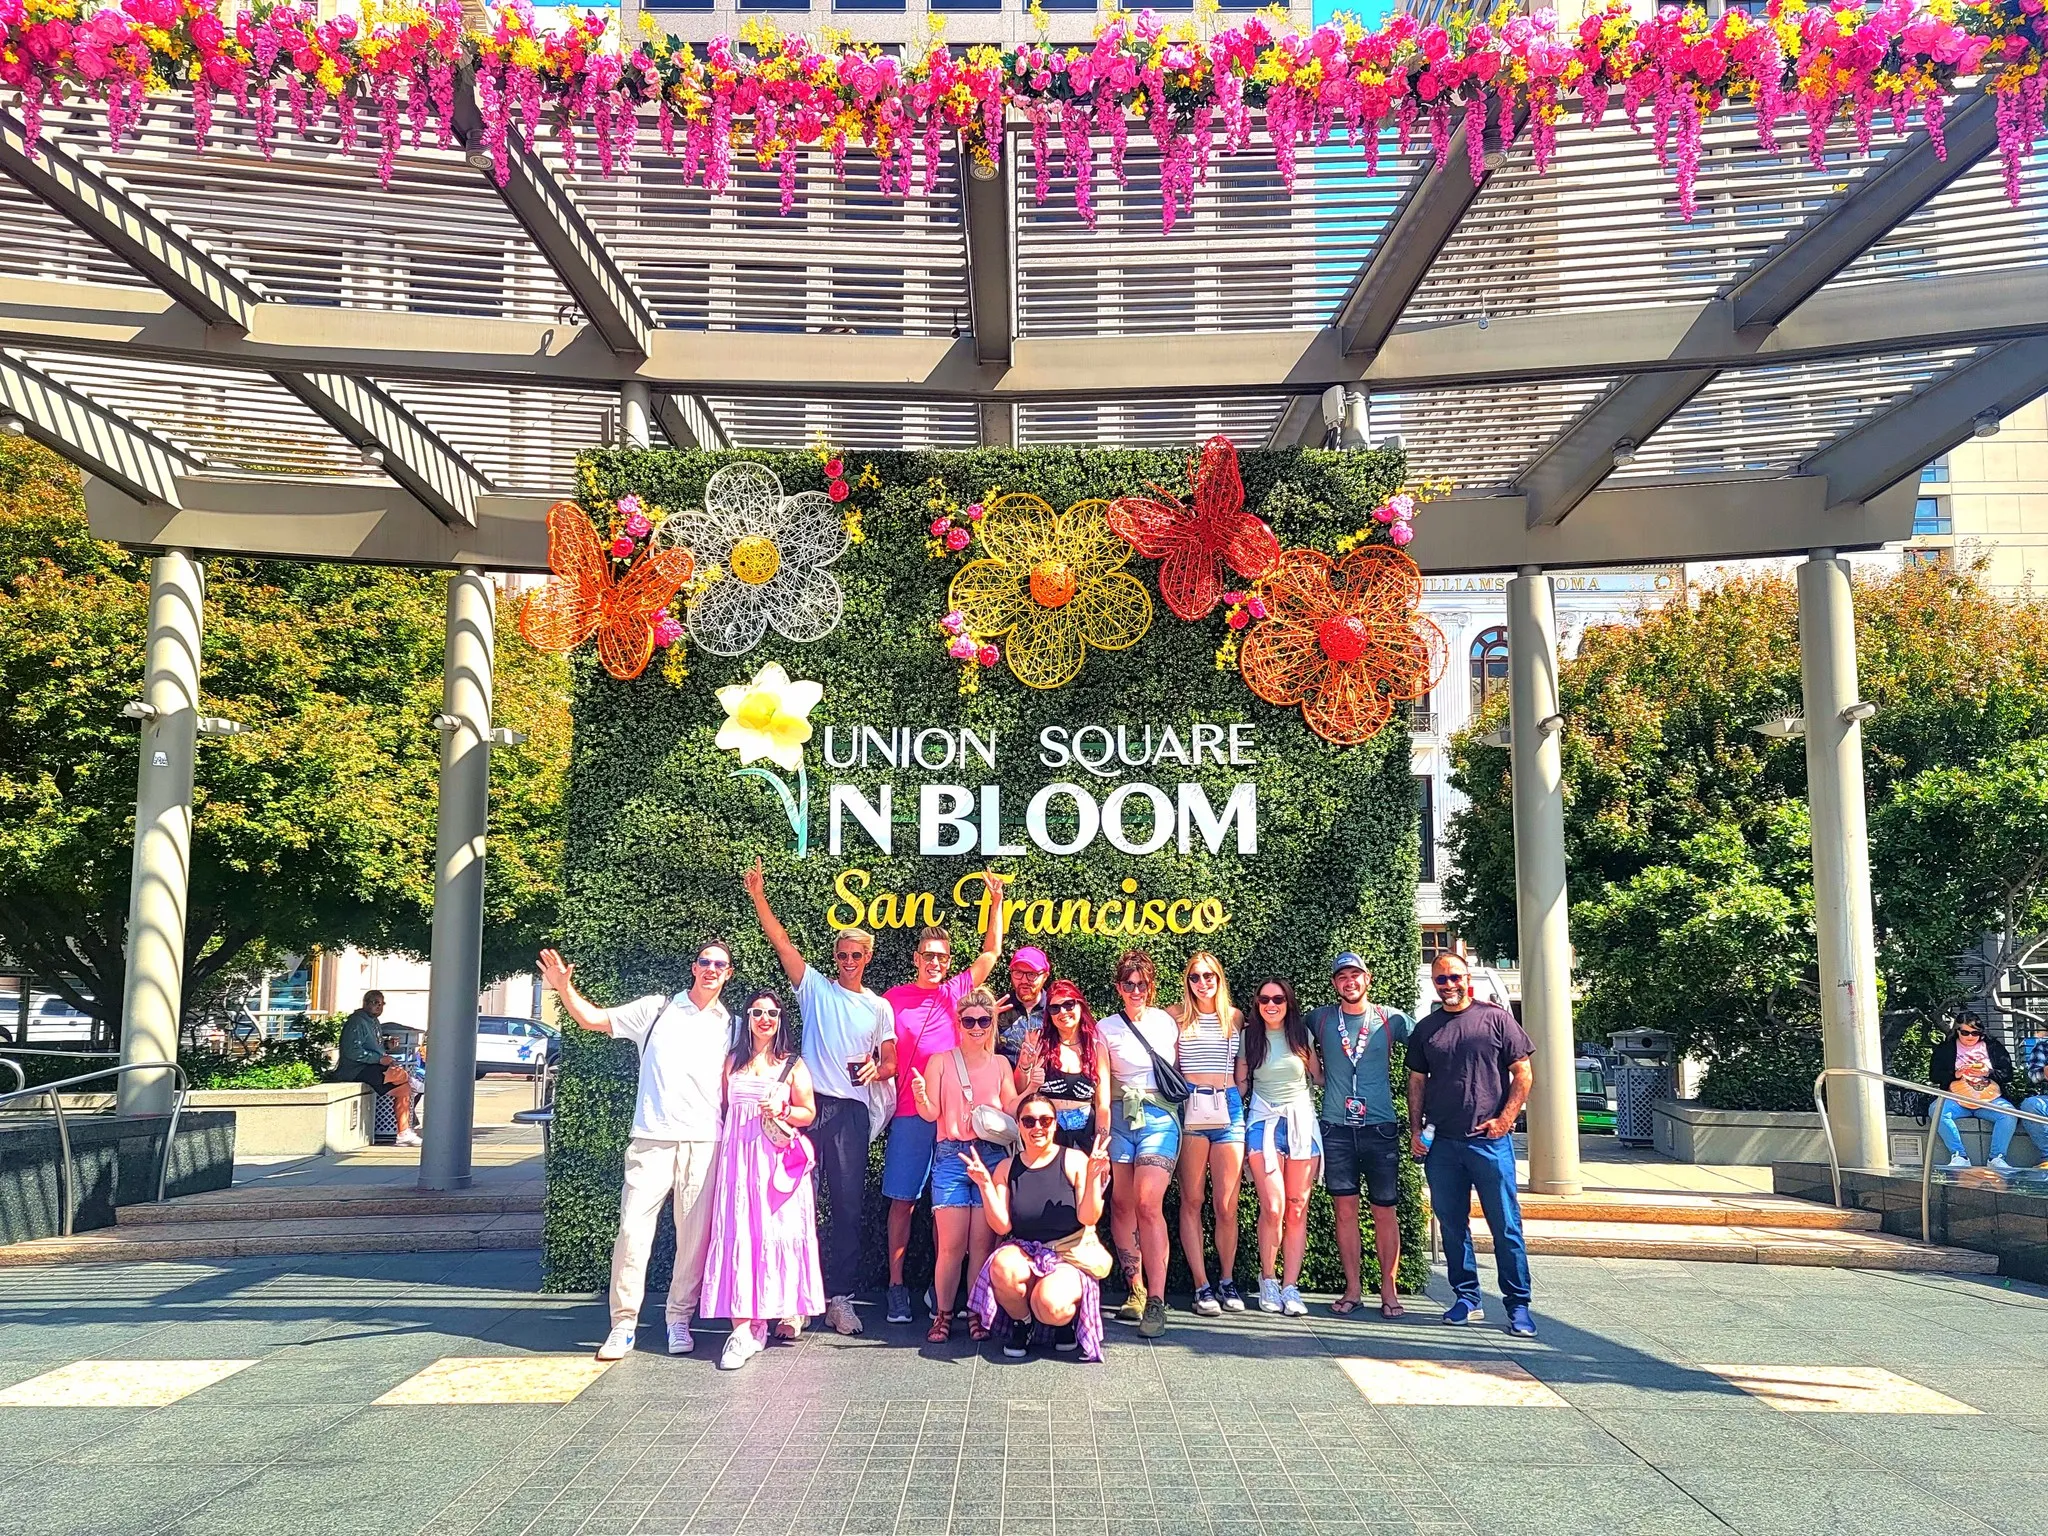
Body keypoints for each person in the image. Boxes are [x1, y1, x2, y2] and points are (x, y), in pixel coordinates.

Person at [538, 938, 734, 1362]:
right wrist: (563, 988)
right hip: (651, 1140)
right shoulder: (656, 1009)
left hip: (705, 1142)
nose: (711, 969)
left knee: (694, 1238)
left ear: (728, 973)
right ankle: (623, 1325)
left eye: (720, 964)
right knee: (632, 1232)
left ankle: (679, 1319)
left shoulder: (731, 1024)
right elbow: (592, 1019)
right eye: (705, 962)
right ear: (693, 967)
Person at [743, 859, 896, 1336]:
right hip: (807, 1109)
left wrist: (878, 1069)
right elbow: (782, 943)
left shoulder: (878, 1006)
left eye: (856, 955)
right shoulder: (814, 989)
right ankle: (790, 1300)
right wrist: (758, 897)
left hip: (849, 1113)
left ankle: (840, 1298)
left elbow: (891, 1060)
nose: (848, 961)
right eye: (842, 955)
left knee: (848, 1207)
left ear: (867, 957)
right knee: (790, 1203)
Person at [880, 874, 1007, 1325]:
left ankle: (943, 1295)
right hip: (913, 1115)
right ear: (917, 958)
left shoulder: (957, 993)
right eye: (928, 956)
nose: (934, 962)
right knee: (904, 1202)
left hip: (958, 1122)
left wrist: (996, 902)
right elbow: (878, 1045)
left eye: (942, 957)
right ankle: (897, 1287)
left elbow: (991, 952)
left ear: (948, 961)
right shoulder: (892, 999)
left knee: (949, 1209)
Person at [1408, 952, 1536, 1337]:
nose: (1449, 984)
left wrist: (1505, 1120)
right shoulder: (1426, 1029)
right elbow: (1417, 1081)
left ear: (1468, 979)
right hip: (1443, 1144)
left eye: (1455, 977)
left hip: (1489, 1143)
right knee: (1451, 1226)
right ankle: (1466, 1298)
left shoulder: (1496, 1019)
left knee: (1505, 1225)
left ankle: (1518, 1305)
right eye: (1441, 979)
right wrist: (1417, 1130)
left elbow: (1523, 1073)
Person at [699, 988, 824, 1371]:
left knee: (778, 1234)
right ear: (748, 1018)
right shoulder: (732, 1061)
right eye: (757, 1012)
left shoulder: (792, 1064)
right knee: (741, 1234)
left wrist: (783, 1106)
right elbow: (721, 1107)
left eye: (772, 1013)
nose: (765, 1019)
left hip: (776, 1167)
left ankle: (782, 1309)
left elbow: (809, 1113)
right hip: (738, 1164)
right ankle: (745, 1325)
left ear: (781, 1018)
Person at [965, 1092, 1115, 1361]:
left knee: (1050, 1305)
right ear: (1019, 1125)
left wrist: (1093, 1178)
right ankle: (1022, 1323)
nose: (1038, 1128)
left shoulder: (1074, 1160)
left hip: (1069, 1253)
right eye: (1029, 1121)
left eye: (1045, 1121)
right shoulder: (1006, 1167)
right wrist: (985, 1185)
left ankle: (1060, 1321)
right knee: (1001, 1265)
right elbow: (1002, 1226)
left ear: (1055, 1125)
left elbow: (1089, 1218)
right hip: (1025, 1250)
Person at [908, 986, 1019, 1342]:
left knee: (981, 1248)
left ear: (992, 1024)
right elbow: (931, 1114)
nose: (976, 1027)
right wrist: (922, 1097)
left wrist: (1029, 1084)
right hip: (952, 1156)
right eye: (969, 1020)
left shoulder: (1001, 1063)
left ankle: (974, 1313)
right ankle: (943, 1314)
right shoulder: (941, 1061)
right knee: (951, 1247)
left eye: (983, 1020)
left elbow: (1010, 1111)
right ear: (959, 1023)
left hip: (989, 1157)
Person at [1309, 952, 1412, 1318]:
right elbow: (1283, 1032)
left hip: (1380, 1128)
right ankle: (1352, 1288)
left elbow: (1432, 1046)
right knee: (1344, 1212)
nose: (1349, 982)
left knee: (1385, 1211)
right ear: (1335, 983)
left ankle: (1389, 1288)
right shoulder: (1320, 1019)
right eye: (1342, 977)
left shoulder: (1391, 1019)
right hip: (1336, 1128)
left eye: (1356, 976)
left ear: (1367, 980)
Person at [1097, 947, 1180, 1338]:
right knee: (1121, 1202)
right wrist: (1101, 1128)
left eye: (1142, 984)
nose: (1135, 990)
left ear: (1152, 986)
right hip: (1118, 1118)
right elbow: (1100, 1081)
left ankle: (1158, 1302)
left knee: (1148, 1203)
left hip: (1159, 1118)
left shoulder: (1168, 1022)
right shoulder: (1105, 1027)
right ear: (1118, 987)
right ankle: (1136, 1289)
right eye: (1129, 984)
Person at [1172, 950, 1247, 1317]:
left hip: (1229, 1107)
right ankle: (1202, 1285)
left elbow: (1242, 1066)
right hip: (1191, 1108)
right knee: (1192, 1199)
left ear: (1219, 979)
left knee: (1227, 1204)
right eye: (1196, 977)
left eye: (1209, 976)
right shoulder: (1176, 1017)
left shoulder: (1234, 1017)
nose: (1203, 983)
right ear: (1188, 982)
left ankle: (1227, 1279)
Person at [1244, 978, 1322, 1317]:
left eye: (1278, 998)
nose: (1271, 1004)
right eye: (1264, 999)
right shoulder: (1249, 1037)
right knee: (1273, 1207)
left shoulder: (1301, 1035)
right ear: (1257, 1004)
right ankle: (1269, 1279)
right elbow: (1240, 1082)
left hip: (1301, 1123)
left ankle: (1291, 1286)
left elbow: (1318, 1077)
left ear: (1288, 1002)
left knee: (1296, 1206)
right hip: (1263, 1123)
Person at [1931, 1017, 2020, 1172]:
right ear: (1957, 1031)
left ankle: (1997, 1158)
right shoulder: (1945, 1049)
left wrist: (1989, 1072)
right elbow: (1934, 1075)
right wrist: (1955, 1074)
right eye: (1965, 1032)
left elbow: (2007, 1074)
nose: (1970, 1036)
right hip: (1956, 1098)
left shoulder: (1994, 1047)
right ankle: (1959, 1155)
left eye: (1975, 1033)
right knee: (1937, 1111)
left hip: (1990, 1099)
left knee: (2009, 1114)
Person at [1032, 979, 1110, 1154]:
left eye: (1069, 1004)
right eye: (1055, 1008)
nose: (1063, 1012)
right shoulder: (1040, 1045)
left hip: (1084, 1137)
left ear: (1080, 1005)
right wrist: (1024, 1068)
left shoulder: (1096, 1049)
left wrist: (1101, 1148)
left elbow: (1102, 1104)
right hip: (1046, 1134)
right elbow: (1022, 1092)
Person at [332, 990, 417, 1147]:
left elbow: (372, 1046)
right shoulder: (356, 1022)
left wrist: (386, 1046)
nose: (379, 1006)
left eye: (381, 1003)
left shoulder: (374, 1022)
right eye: (375, 1003)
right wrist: (379, 1059)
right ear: (365, 1003)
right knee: (396, 1073)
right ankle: (413, 1081)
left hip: (370, 1066)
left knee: (404, 1090)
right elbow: (352, 1051)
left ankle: (403, 1132)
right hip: (357, 1069)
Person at [996, 947, 1052, 1066]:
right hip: (1005, 1082)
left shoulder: (1055, 1007)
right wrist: (986, 1020)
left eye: (1032, 974)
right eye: (1018, 973)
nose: (1024, 980)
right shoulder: (998, 1006)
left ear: (1045, 976)